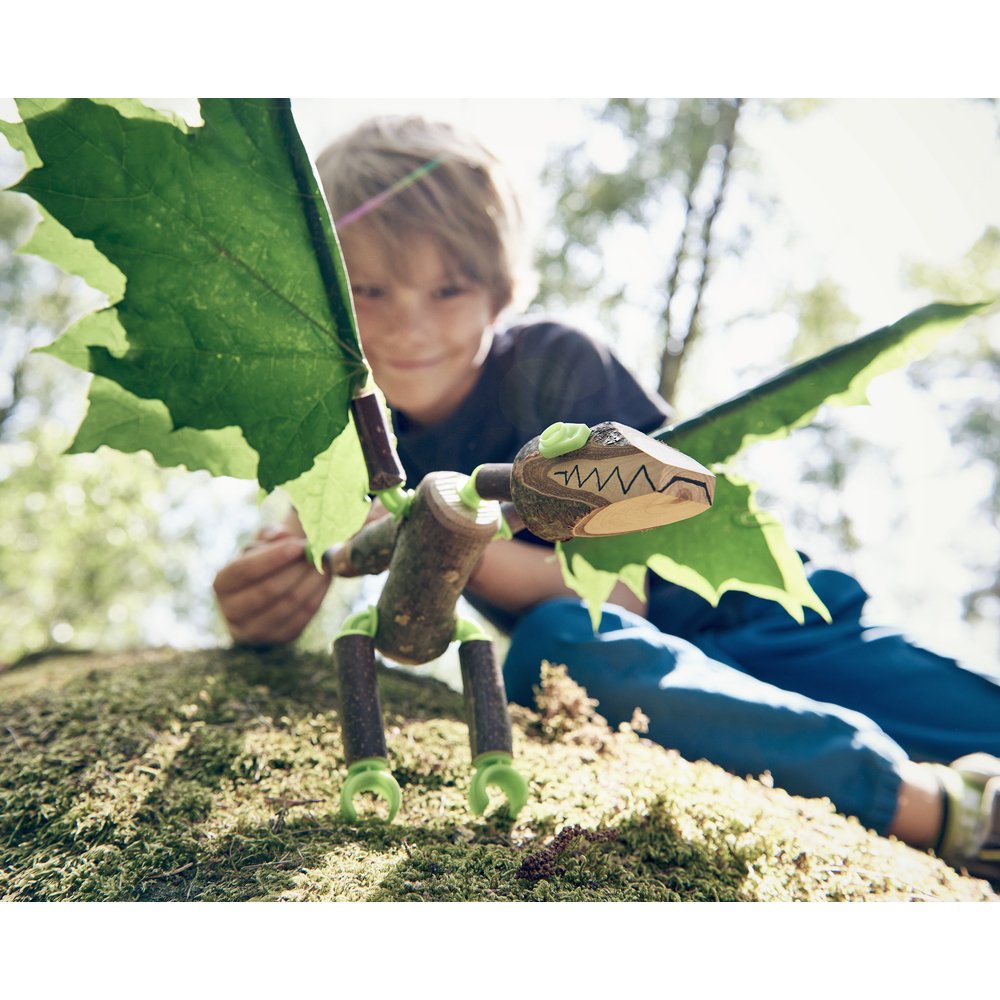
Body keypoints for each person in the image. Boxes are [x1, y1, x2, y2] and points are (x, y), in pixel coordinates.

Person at [213, 114, 1000, 883]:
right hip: (646, 677)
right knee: (556, 648)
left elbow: (626, 585)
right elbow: (309, 541)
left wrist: (443, 540)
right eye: (370, 292)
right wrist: (264, 601)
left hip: (785, 630)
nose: (410, 325)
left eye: (448, 289)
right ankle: (938, 811)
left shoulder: (554, 368)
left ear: (499, 291)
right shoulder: (353, 433)